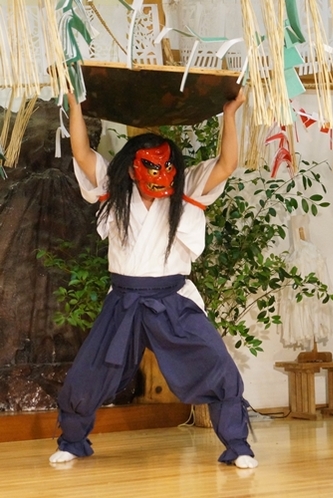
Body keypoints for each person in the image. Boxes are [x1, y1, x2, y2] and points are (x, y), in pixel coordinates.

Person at [49, 89, 258, 469]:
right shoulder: (114, 190)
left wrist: (230, 114)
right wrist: (75, 105)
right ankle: (73, 440)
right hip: (124, 298)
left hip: (172, 299)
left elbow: (228, 163)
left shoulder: (187, 189)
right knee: (89, 371)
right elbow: (81, 153)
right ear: (132, 168)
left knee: (217, 365)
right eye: (151, 166)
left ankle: (238, 445)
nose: (161, 175)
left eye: (167, 167)